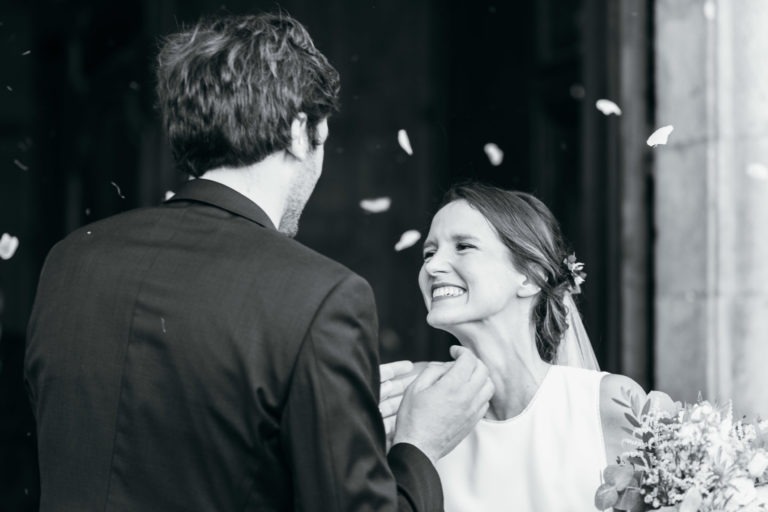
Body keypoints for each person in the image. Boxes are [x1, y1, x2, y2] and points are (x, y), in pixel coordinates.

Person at [24, 13, 494, 511]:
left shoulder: (70, 261)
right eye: (323, 139)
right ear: (298, 132)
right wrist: (418, 446)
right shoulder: (321, 296)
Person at [380, 182, 659, 511]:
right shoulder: (411, 412)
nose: (431, 266)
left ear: (529, 278)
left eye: (463, 246)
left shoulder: (611, 405)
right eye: (429, 252)